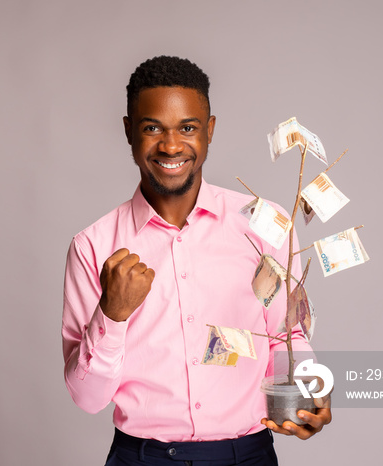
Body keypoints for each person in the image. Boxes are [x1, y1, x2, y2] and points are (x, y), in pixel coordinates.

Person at [62, 55, 331, 466]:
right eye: (153, 128)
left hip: (249, 456)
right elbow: (87, 399)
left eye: (187, 128)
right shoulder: (93, 246)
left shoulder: (265, 225)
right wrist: (112, 315)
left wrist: (311, 390)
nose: (171, 146)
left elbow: (287, 335)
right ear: (129, 131)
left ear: (209, 131)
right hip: (142, 458)